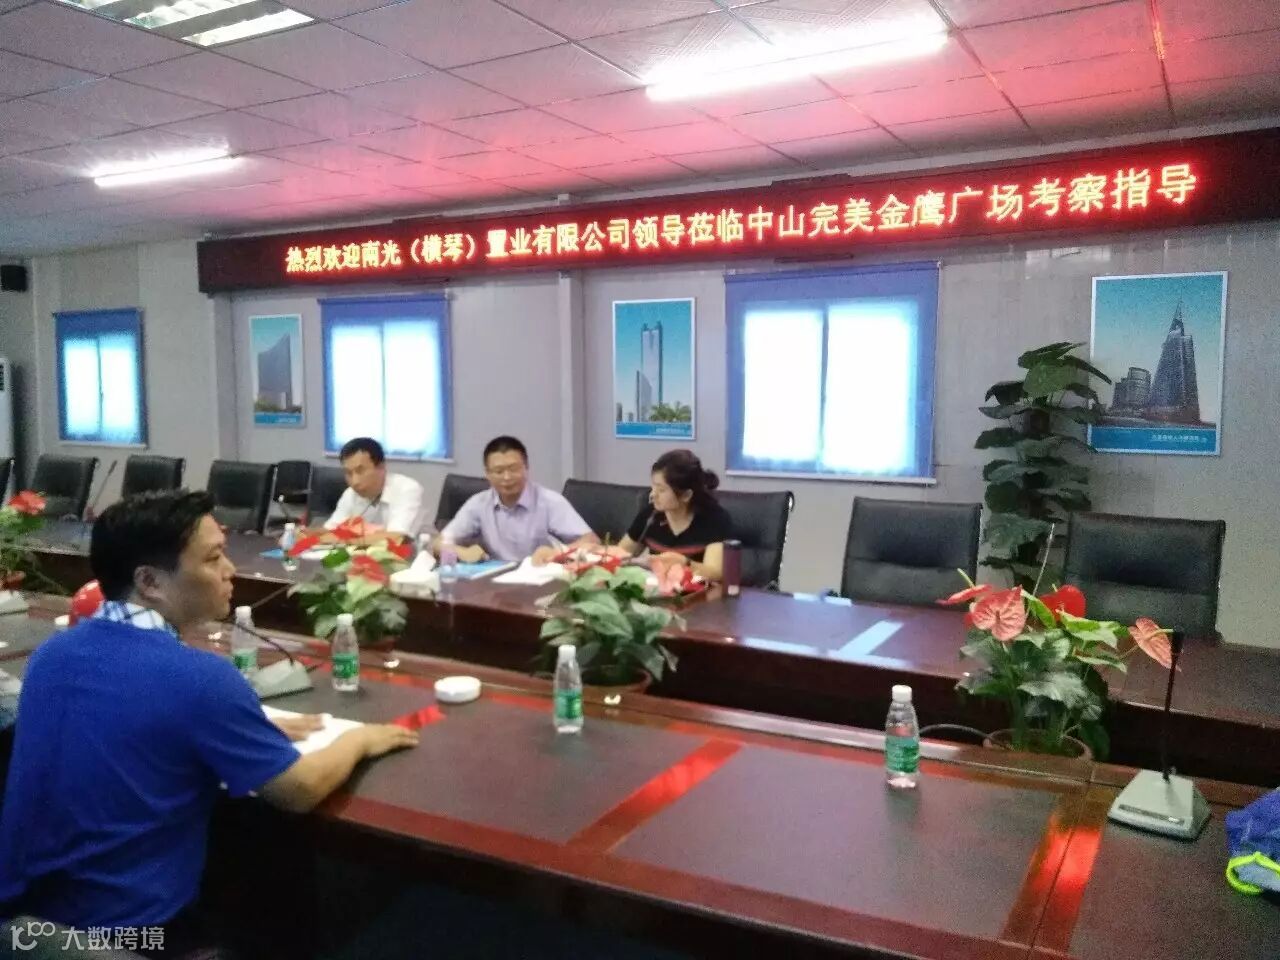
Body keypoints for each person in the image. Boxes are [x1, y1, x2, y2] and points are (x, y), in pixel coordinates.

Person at [0, 490, 418, 952]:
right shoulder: (199, 677)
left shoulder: (53, 655)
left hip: (28, 929)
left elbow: (128, 726)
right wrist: (360, 739)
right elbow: (299, 790)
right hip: (133, 935)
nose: (230, 570)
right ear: (150, 581)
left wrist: (233, 730)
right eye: (214, 558)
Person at [439, 436, 597, 564]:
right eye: (499, 471)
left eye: (513, 469)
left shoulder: (549, 502)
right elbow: (439, 542)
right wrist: (461, 552)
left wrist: (557, 553)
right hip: (495, 582)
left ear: (526, 467)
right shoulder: (479, 504)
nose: (507, 477)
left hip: (542, 579)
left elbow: (591, 542)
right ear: (487, 474)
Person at [611, 450, 732, 581]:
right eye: (653, 487)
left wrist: (684, 563)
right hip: (657, 589)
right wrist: (601, 552)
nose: (653, 495)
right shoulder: (650, 515)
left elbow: (715, 573)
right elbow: (620, 556)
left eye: (661, 490)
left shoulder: (715, 519)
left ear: (686, 495)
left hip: (699, 591)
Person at [322, 436, 426, 539]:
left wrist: (345, 538)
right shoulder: (350, 493)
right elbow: (331, 530)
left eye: (360, 471)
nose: (355, 482)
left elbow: (397, 537)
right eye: (348, 473)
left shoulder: (407, 489)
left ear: (381, 467)